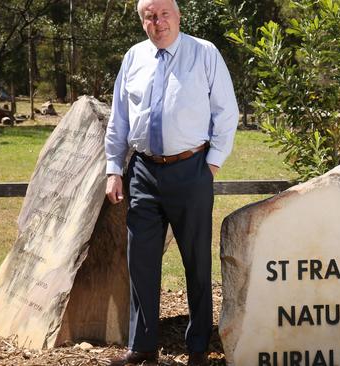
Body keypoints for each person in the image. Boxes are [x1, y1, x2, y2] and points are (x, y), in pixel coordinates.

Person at [104, 0, 239, 364]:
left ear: (178, 17)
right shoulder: (133, 58)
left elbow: (227, 112)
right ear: (142, 21)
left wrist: (210, 165)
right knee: (141, 262)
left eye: (164, 14)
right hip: (143, 173)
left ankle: (198, 348)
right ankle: (142, 345)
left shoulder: (204, 53)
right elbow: (119, 117)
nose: (158, 21)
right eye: (150, 15)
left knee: (196, 263)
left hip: (190, 170)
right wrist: (114, 168)